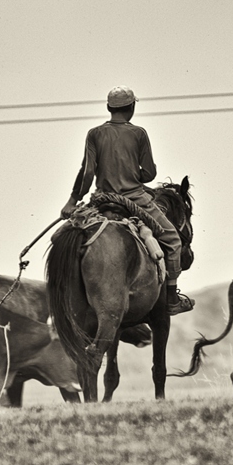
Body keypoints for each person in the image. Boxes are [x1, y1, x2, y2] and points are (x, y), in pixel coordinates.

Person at [60, 85, 194, 316]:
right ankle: (171, 299)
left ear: (108, 108)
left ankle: (64, 296)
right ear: (131, 108)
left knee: (64, 236)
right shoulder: (139, 133)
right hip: (135, 199)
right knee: (173, 240)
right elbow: (149, 174)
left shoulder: (94, 134)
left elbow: (87, 173)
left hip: (101, 198)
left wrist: (72, 201)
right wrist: (133, 173)